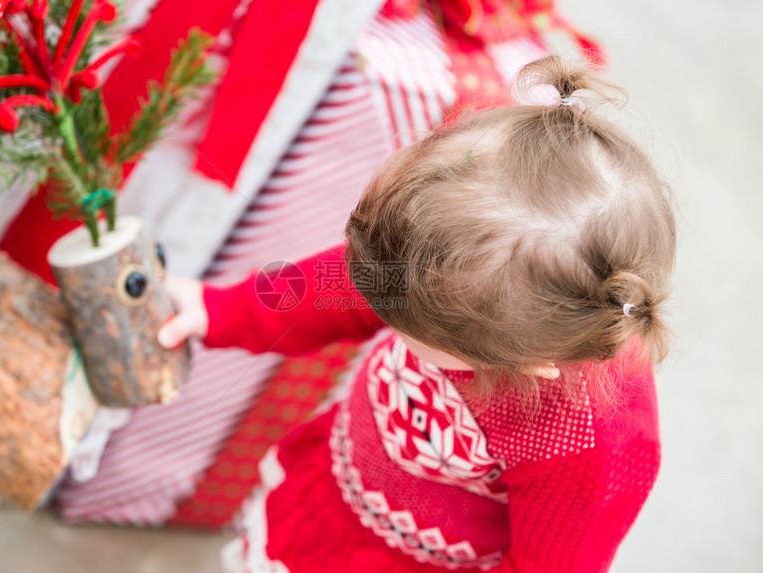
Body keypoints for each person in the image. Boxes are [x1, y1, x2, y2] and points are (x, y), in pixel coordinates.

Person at [156, 56, 676, 573]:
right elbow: (338, 283)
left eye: (399, 314)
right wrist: (219, 309)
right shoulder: (437, 272)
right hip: (333, 497)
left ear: (527, 362)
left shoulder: (591, 446)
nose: (372, 294)